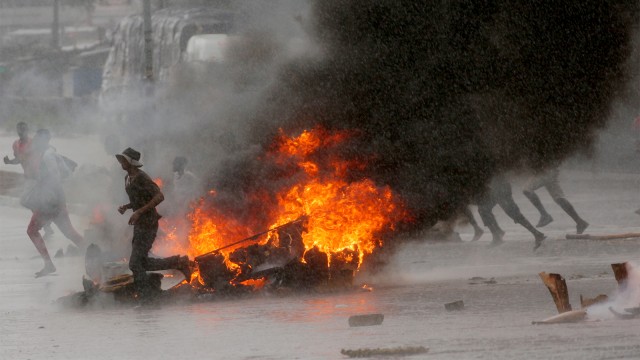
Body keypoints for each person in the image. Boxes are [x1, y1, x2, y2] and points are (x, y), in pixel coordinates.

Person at [116, 147, 192, 297]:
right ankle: (179, 262)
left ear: (131, 162)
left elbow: (159, 196)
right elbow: (139, 200)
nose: (121, 162)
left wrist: (139, 212)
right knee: (141, 262)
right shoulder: (127, 179)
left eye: (124, 160)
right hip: (139, 224)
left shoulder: (142, 177)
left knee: (134, 264)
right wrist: (128, 207)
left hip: (148, 223)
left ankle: (146, 297)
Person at [24, 129, 85, 277]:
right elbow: (66, 173)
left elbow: (55, 178)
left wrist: (48, 197)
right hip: (57, 199)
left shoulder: (48, 156)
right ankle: (96, 256)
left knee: (32, 231)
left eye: (37, 140)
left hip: (50, 201)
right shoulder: (52, 153)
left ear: (44, 140)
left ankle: (49, 264)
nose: (34, 143)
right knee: (70, 233)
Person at [4, 122, 55, 238]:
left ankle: (45, 223)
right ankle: (46, 223)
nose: (22, 132)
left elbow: (46, 150)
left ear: (27, 130)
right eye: (20, 130)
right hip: (28, 178)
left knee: (28, 201)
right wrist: (9, 162)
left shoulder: (34, 142)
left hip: (38, 177)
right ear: (17, 131)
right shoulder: (16, 145)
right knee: (30, 202)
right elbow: (19, 159)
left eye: (24, 129)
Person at [477, 175, 546, 250]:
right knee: (483, 209)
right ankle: (497, 235)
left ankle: (536, 233)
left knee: (513, 213)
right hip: (496, 187)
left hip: (499, 187)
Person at [522, 168, 589, 234]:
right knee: (559, 198)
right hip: (551, 170)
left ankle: (544, 215)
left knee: (527, 190)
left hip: (544, 171)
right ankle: (579, 221)